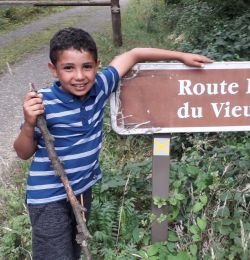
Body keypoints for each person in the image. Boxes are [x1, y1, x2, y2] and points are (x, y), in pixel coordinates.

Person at [13, 27, 212, 260]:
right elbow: (23, 153)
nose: (79, 76)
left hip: (81, 191)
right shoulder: (43, 103)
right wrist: (29, 124)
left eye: (87, 67)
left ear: (97, 65)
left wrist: (180, 56)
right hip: (47, 197)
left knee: (74, 249)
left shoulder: (100, 86)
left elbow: (134, 54)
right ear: (53, 69)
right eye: (68, 68)